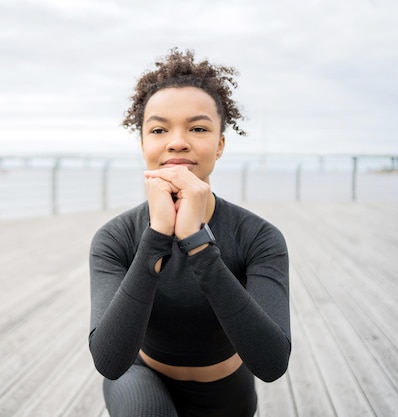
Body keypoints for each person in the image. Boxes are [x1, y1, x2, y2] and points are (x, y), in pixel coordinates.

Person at [88, 48, 291, 417]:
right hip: (142, 380)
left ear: (220, 144)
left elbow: (272, 363)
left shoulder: (259, 238)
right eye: (159, 129)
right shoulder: (115, 238)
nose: (177, 141)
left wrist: (198, 243)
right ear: (144, 144)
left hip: (227, 393)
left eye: (198, 128)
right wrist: (158, 234)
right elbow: (110, 361)